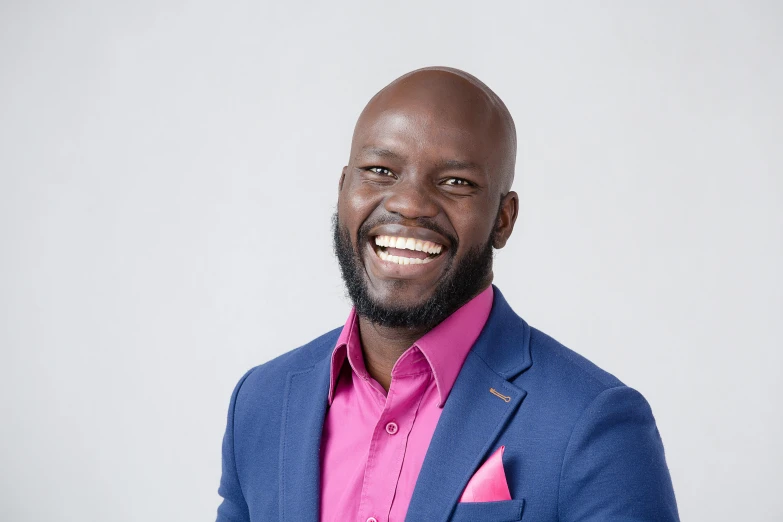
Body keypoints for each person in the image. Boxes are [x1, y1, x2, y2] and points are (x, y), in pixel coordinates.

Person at [216, 67, 679, 522]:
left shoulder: (593, 424)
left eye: (456, 182)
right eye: (380, 170)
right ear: (342, 190)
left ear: (503, 219)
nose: (409, 203)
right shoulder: (261, 402)